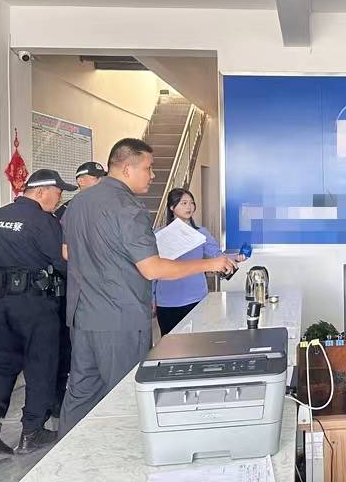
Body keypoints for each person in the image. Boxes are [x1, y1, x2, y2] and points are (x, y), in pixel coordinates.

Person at [59, 138, 237, 436]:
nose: (153, 175)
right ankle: (123, 455)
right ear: (127, 169)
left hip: (83, 315)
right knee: (126, 395)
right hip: (120, 319)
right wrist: (210, 264)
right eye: (149, 168)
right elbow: (153, 269)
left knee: (81, 393)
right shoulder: (128, 208)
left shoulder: (78, 203)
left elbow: (67, 253)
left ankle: (67, 458)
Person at [0, 169, 76, 456]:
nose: (59, 199)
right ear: (41, 191)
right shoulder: (43, 221)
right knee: (41, 365)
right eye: (58, 193)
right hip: (33, 304)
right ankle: (32, 432)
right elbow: (63, 263)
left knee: (1, 365)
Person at [50, 161, 105, 424]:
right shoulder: (68, 210)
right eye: (95, 178)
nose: (100, 182)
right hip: (72, 288)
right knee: (72, 352)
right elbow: (64, 253)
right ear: (81, 181)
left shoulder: (103, 207)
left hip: (97, 291)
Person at [153, 188, 248, 336]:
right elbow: (153, 268)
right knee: (169, 342)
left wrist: (236, 258)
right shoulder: (159, 234)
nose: (189, 207)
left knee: (196, 341)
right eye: (183, 203)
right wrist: (152, 297)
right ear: (172, 207)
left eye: (191, 203)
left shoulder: (201, 233)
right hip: (167, 299)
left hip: (196, 296)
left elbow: (216, 254)